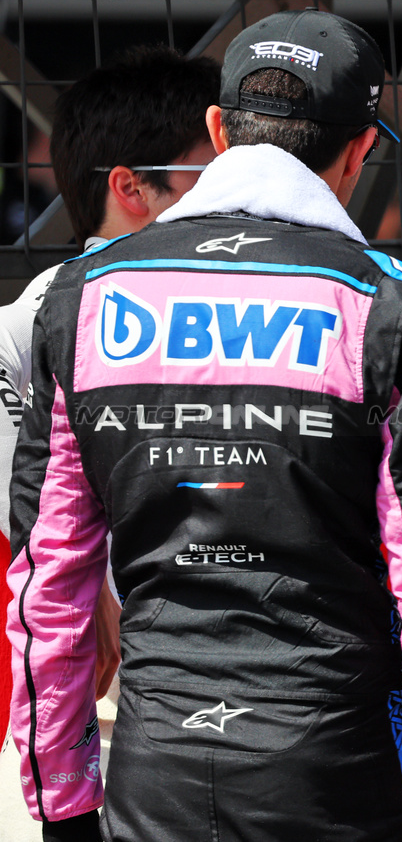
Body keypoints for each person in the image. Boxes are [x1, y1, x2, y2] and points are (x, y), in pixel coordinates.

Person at [6, 10, 402, 842]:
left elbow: (48, 581)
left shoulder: (81, 298)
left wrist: (63, 803)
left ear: (218, 130)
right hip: (334, 772)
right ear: (360, 150)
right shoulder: (387, 302)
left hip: (153, 779)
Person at [0, 44, 219, 842]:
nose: (235, 194)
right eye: (211, 171)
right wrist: (83, 587)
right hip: (99, 702)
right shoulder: (39, 314)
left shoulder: (242, 299)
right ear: (131, 187)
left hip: (228, 687)